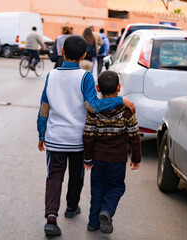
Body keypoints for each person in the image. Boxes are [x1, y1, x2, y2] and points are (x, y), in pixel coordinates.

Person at [37, 35, 135, 237]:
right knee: (76, 175)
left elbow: (44, 108)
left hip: (55, 138)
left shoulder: (51, 75)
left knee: (54, 176)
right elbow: (93, 106)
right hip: (77, 139)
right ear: (83, 55)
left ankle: (51, 218)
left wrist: (41, 133)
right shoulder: (85, 76)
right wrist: (119, 100)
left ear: (62, 51)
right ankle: (71, 207)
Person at [83, 70, 141, 234]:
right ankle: (107, 211)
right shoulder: (127, 111)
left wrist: (87, 158)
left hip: (98, 158)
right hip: (117, 159)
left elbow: (88, 135)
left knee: (97, 189)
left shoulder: (94, 112)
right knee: (116, 188)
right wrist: (136, 157)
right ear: (119, 87)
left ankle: (93, 222)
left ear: (98, 89)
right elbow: (134, 136)